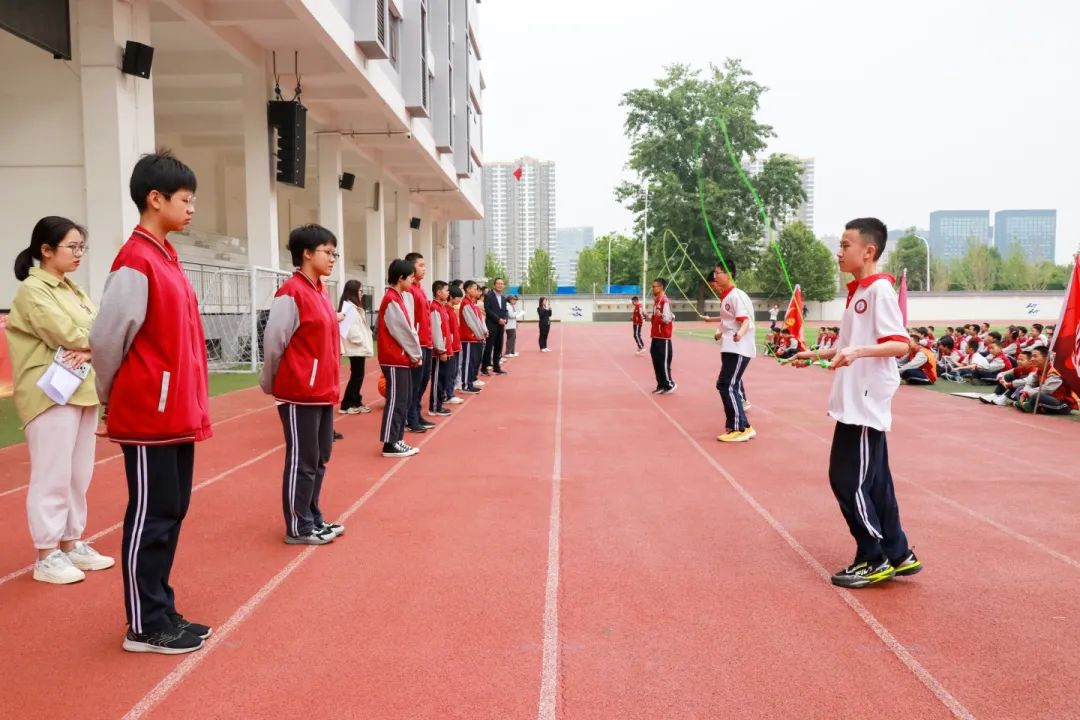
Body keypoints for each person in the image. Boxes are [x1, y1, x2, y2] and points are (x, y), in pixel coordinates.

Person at [90, 151, 213, 654]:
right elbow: (107, 340)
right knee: (152, 514)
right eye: (185, 200)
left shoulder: (166, 258)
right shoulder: (135, 261)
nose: (191, 209)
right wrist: (110, 399)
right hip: (148, 413)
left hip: (174, 413)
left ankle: (159, 607)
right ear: (154, 199)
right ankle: (144, 623)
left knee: (172, 509)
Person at [788, 217, 920, 589]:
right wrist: (814, 354)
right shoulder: (858, 292)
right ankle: (898, 552)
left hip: (863, 402)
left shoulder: (879, 290)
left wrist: (857, 352)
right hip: (854, 398)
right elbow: (848, 344)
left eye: (846, 245)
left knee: (846, 479)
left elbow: (899, 343)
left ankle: (872, 555)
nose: (839, 251)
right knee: (876, 482)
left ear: (868, 251)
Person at [7, 216, 113, 585]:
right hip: (49, 393)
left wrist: (89, 348)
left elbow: (98, 330)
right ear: (46, 250)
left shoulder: (72, 289)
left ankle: (72, 541)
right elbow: (67, 333)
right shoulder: (33, 291)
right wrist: (90, 344)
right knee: (51, 474)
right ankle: (46, 553)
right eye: (73, 246)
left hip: (81, 391)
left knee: (77, 474)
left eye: (82, 247)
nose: (79, 253)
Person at [260, 225, 344, 547]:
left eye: (334, 252)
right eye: (328, 251)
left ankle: (312, 515)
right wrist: (272, 384)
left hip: (322, 390)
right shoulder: (291, 292)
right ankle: (298, 525)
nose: (333, 258)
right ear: (307, 253)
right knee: (303, 459)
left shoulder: (321, 291)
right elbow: (274, 344)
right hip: (299, 393)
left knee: (320, 456)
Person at [702, 261, 755, 440]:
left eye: (718, 273)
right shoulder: (728, 297)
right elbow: (729, 320)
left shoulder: (736, 296)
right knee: (727, 384)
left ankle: (737, 428)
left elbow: (745, 320)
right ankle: (745, 426)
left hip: (738, 348)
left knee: (727, 385)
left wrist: (740, 333)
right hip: (730, 347)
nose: (715, 276)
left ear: (729, 274)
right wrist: (718, 329)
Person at [378, 258, 423, 456]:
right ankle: (390, 442)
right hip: (394, 358)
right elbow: (402, 331)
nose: (413, 281)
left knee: (402, 400)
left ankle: (397, 438)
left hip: (401, 357)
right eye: (411, 277)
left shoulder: (398, 297)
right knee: (396, 400)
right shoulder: (391, 299)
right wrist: (416, 353)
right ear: (400, 277)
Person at [403, 252, 435, 434]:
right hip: (418, 343)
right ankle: (411, 418)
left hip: (426, 342)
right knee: (414, 383)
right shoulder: (409, 290)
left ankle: (416, 413)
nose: (424, 268)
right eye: (421, 265)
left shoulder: (420, 289)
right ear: (411, 267)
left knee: (423, 381)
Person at [338, 280, 374, 414]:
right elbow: (352, 330)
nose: (362, 293)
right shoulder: (349, 308)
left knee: (358, 375)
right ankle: (347, 404)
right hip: (356, 347)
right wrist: (360, 341)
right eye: (360, 291)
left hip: (358, 347)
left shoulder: (353, 307)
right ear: (353, 291)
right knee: (357, 375)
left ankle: (355, 401)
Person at [1014, 346, 1077, 414]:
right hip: (1045, 399)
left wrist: (1027, 393)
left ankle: (1030, 405)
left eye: (1035, 356)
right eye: (1032, 356)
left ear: (1046, 358)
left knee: (1037, 396)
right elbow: (1030, 383)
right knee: (1020, 388)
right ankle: (1029, 405)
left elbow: (1047, 389)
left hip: (1061, 403)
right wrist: (1024, 392)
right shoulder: (1039, 370)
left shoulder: (1054, 370)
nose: (1032, 359)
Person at [428, 280, 453, 417]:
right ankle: (434, 406)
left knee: (443, 378)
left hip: (445, 348)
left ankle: (439, 404)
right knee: (438, 378)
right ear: (438, 292)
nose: (448, 293)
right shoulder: (435, 308)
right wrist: (441, 349)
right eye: (446, 290)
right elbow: (436, 330)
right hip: (439, 351)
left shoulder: (441, 307)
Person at [459, 281, 488, 392]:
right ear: (468, 290)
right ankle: (466, 385)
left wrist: (483, 332)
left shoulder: (472, 303)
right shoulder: (466, 303)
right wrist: (480, 334)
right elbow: (471, 322)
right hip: (469, 337)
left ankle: (470, 382)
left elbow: (478, 321)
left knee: (474, 362)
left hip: (475, 337)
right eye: (475, 289)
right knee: (468, 362)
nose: (477, 291)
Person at [649, 278, 675, 393]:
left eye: (654, 286)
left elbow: (668, 318)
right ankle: (661, 384)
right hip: (655, 336)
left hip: (663, 337)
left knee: (663, 361)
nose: (653, 288)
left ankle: (669, 384)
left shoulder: (664, 301)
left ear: (660, 287)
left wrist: (660, 316)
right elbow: (656, 317)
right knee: (656, 361)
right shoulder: (657, 301)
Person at [482, 277, 509, 375]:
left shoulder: (503, 298)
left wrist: (505, 319)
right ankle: (484, 368)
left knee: (499, 346)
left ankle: (496, 367)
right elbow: (488, 310)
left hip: (501, 325)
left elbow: (505, 310)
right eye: (498, 283)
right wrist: (498, 319)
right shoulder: (488, 296)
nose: (500, 285)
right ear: (494, 285)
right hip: (491, 325)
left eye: (502, 283)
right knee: (489, 347)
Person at [445, 285, 465, 404]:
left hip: (456, 345)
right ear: (451, 297)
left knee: (454, 370)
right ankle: (448, 394)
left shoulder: (452, 310)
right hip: (451, 346)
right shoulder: (446, 311)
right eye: (458, 298)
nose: (459, 301)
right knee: (450, 371)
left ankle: (450, 392)